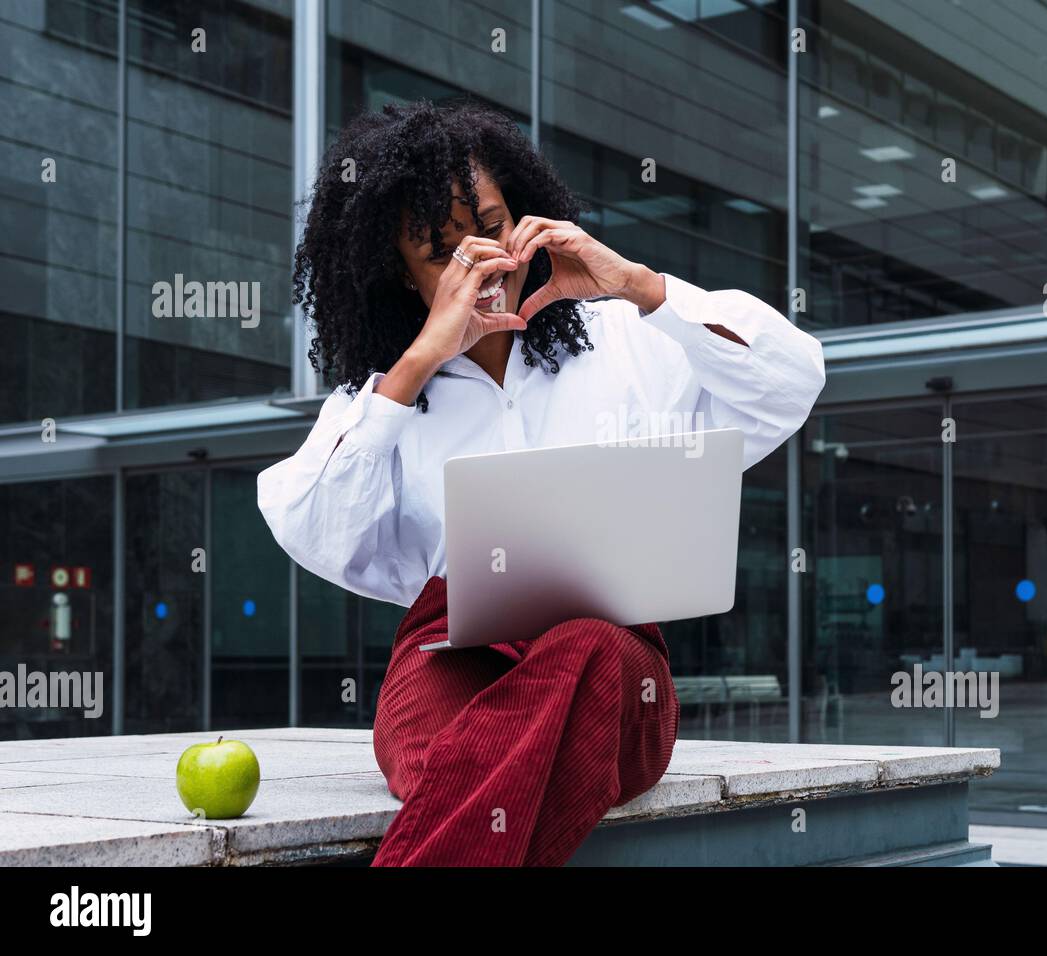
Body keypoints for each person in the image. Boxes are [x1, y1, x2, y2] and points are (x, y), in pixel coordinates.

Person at [257, 97, 826, 866]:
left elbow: (790, 380)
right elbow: (309, 524)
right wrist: (420, 360)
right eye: (442, 254)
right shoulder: (382, 401)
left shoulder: (629, 342)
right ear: (401, 274)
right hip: (451, 653)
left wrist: (638, 285)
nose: (481, 264)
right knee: (466, 758)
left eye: (489, 229)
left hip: (612, 655)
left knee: (579, 656)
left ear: (522, 216)